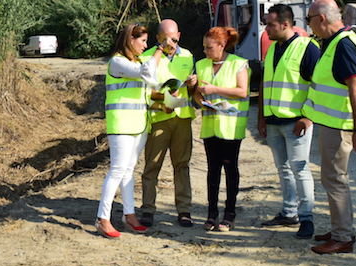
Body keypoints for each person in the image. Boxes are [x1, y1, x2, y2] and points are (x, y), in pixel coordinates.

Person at [300, 0, 356, 254]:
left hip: (341, 124)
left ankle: (342, 236)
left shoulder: (343, 45)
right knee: (333, 178)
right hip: (335, 123)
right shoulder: (336, 43)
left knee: (335, 179)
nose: (308, 26)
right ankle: (341, 229)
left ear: (321, 18)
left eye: (309, 19)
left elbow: (355, 86)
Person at [96, 24, 176, 238]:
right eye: (142, 41)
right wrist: (160, 49)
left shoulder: (138, 61)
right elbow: (147, 72)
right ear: (130, 40)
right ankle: (103, 218)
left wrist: (170, 97)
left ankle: (129, 215)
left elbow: (152, 83)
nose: (146, 45)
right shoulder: (117, 62)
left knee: (129, 170)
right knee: (117, 170)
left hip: (139, 125)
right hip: (121, 124)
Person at [258, 4, 321, 239]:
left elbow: (318, 86)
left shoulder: (308, 48)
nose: (266, 29)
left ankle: (306, 219)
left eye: (270, 25)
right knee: (283, 169)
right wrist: (262, 118)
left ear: (285, 24)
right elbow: (265, 85)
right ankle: (289, 211)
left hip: (296, 122)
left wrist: (308, 116)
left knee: (301, 169)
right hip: (274, 121)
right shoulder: (273, 49)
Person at [139, 19, 198, 228]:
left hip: (182, 118)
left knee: (182, 165)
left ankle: (184, 210)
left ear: (179, 36)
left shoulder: (188, 56)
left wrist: (192, 85)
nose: (169, 42)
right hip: (159, 119)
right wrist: (164, 101)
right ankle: (147, 209)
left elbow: (191, 91)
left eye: (173, 38)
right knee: (152, 165)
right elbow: (144, 91)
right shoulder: (147, 58)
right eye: (164, 39)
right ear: (157, 38)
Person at [194, 27, 250, 232]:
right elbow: (198, 95)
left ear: (222, 45)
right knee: (212, 170)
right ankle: (211, 215)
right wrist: (199, 97)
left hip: (231, 126)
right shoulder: (201, 65)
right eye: (204, 48)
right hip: (211, 125)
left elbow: (243, 91)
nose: (205, 52)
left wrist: (215, 90)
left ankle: (229, 214)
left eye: (209, 48)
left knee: (230, 168)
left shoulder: (238, 64)